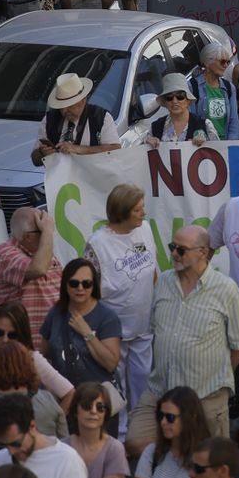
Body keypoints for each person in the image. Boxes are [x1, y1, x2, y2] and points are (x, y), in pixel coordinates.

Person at [131, 226, 239, 450]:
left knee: (206, 464)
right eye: (172, 247)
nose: (174, 254)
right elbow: (156, 329)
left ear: (203, 252)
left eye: (181, 250)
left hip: (205, 397)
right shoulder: (163, 282)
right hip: (160, 391)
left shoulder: (226, 290)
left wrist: (215, 378)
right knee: (135, 444)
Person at [85, 185, 158, 432]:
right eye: (137, 209)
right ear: (122, 212)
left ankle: (141, 430)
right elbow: (89, 289)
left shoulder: (145, 229)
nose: (143, 213)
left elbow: (152, 271)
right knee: (116, 386)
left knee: (143, 381)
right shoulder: (98, 244)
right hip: (112, 332)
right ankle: (120, 435)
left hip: (143, 325)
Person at [0, 302, 74, 411]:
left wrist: (53, 423)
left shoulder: (32, 358)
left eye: (12, 335)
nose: (5, 340)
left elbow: (70, 393)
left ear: (22, 334)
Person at [0, 393, 89, 478]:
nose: (10, 451)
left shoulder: (67, 460)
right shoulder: (1, 458)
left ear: (32, 426)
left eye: (16, 444)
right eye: (4, 444)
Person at [41, 260, 122, 396]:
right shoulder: (55, 313)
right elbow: (45, 352)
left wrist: (87, 332)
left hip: (97, 401)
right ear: (65, 285)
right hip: (64, 398)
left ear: (94, 285)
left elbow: (111, 363)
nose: (80, 288)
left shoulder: (107, 317)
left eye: (86, 283)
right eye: (74, 283)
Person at [0, 207, 63, 352]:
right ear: (28, 236)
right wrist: (48, 231)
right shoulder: (5, 253)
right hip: (22, 351)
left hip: (51, 347)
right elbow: (38, 269)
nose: (47, 237)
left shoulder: (41, 252)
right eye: (41, 231)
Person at [131, 387, 210, 478]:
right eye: (160, 415)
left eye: (170, 417)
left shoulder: (205, 458)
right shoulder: (153, 451)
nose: (163, 422)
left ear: (190, 417)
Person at [33, 74, 122, 168]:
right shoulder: (49, 119)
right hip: (59, 180)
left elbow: (115, 150)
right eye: (61, 107)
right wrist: (42, 153)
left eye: (70, 105)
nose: (64, 111)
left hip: (93, 178)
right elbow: (35, 160)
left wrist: (78, 149)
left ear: (83, 100)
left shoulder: (101, 117)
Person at [65, 385, 128, 478]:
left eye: (100, 407)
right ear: (76, 410)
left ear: (106, 413)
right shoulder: (62, 447)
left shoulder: (114, 448)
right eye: (87, 406)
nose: (93, 411)